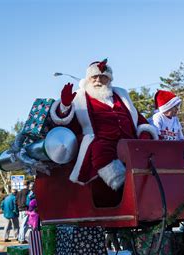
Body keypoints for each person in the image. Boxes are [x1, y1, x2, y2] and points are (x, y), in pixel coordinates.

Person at [50, 59, 158, 191]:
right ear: (88, 79)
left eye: (103, 77)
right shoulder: (80, 98)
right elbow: (68, 124)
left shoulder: (121, 96)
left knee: (149, 152)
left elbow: (138, 119)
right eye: (94, 77)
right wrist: (65, 106)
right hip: (102, 141)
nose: (98, 80)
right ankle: (121, 185)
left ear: (109, 80)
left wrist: (145, 133)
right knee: (99, 148)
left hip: (129, 141)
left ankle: (151, 187)